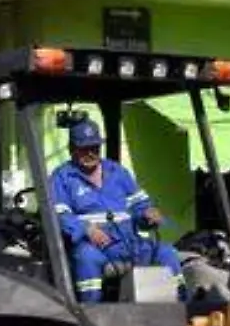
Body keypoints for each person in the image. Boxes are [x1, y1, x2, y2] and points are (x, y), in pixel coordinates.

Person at [49, 118, 181, 303]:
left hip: (130, 243)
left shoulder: (117, 171)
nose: (90, 153)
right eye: (84, 148)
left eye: (94, 147)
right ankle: (91, 315)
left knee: (166, 252)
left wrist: (148, 214)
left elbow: (139, 205)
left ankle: (184, 310)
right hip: (94, 246)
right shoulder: (61, 177)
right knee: (86, 258)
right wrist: (86, 229)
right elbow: (58, 215)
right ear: (71, 148)